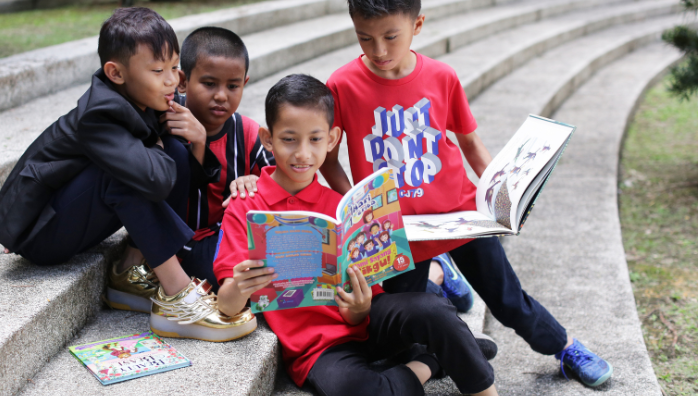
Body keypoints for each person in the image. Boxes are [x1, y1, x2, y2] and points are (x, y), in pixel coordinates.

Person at [319, 0, 613, 388]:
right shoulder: (342, 84)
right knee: (403, 330)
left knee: (508, 300)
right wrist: (356, 205)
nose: (379, 51)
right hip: (394, 230)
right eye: (365, 38)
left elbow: (471, 144)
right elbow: (329, 156)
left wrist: (503, 197)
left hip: (458, 214)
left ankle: (565, 347)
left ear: (417, 25)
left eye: (390, 37)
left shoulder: (442, 77)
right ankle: (442, 281)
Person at [214, 74, 499, 396]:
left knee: (433, 311)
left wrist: (359, 308)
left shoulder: (339, 207)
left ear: (333, 138)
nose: (303, 153)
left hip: (370, 322)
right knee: (360, 389)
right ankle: (431, 361)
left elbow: (368, 297)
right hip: (318, 347)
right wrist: (240, 285)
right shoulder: (247, 207)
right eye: (289, 139)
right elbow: (226, 305)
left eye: (315, 139)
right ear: (267, 138)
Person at [0, 7, 256, 343]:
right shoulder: (100, 114)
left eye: (174, 67)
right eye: (158, 70)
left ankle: (131, 266)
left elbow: (177, 174)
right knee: (128, 175)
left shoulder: (148, 97)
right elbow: (155, 180)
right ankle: (178, 297)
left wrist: (190, 138)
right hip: (42, 232)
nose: (172, 80)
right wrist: (159, 142)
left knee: (172, 151)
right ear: (116, 73)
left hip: (79, 212)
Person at [173, 26, 274, 290]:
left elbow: (281, 180)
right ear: (182, 81)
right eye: (209, 84)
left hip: (232, 236)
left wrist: (256, 180)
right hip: (183, 245)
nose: (221, 96)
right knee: (228, 274)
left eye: (232, 86)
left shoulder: (248, 133)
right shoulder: (167, 127)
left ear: (245, 84)